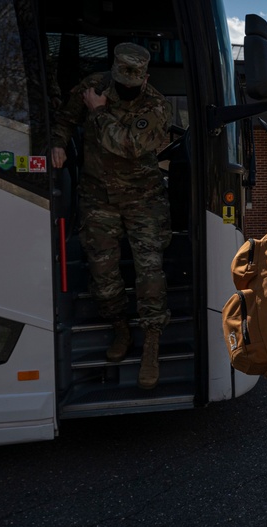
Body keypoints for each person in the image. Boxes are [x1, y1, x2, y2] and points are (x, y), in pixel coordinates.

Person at [50, 42, 173, 390]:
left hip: (143, 201)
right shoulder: (95, 86)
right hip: (97, 198)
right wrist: (58, 142)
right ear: (113, 73)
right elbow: (64, 119)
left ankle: (151, 342)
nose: (125, 90)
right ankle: (121, 329)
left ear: (145, 78)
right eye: (120, 83)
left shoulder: (156, 105)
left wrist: (100, 113)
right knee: (103, 274)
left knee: (150, 271)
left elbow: (130, 146)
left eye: (132, 85)